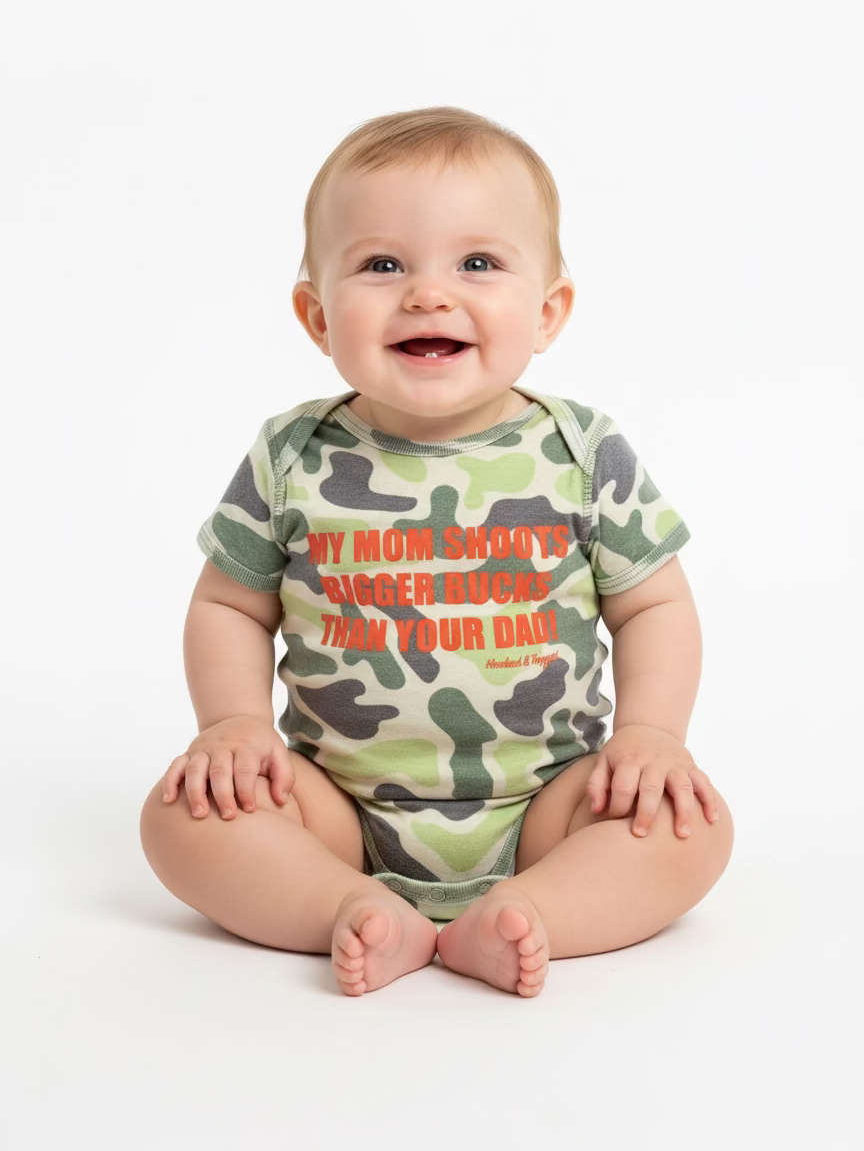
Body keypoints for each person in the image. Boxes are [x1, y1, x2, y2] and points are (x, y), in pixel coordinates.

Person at [139, 105, 734, 999]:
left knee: (693, 827)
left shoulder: (582, 452)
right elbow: (228, 604)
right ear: (316, 317)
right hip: (334, 809)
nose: (427, 294)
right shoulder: (292, 457)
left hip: (550, 806)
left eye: (478, 263)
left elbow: (654, 603)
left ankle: (532, 912)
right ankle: (346, 905)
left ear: (548, 311)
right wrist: (235, 726)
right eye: (382, 265)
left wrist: (651, 738)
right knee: (179, 818)